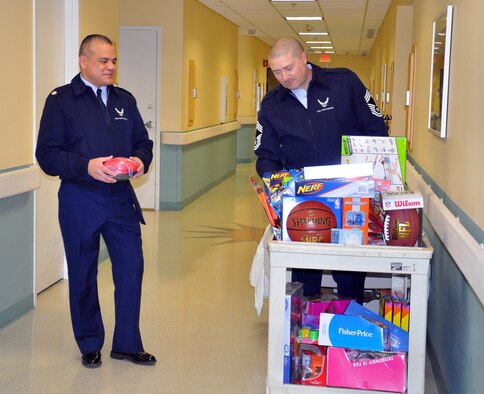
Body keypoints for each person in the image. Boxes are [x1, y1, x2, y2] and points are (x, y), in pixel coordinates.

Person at [36, 34, 156, 368]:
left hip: (120, 201)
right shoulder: (61, 101)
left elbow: (143, 142)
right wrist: (85, 166)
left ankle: (127, 344)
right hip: (80, 199)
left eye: (114, 60)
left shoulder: (124, 99)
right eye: (103, 61)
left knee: (131, 269)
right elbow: (47, 155)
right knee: (83, 272)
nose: (111, 67)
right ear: (83, 61)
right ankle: (89, 342)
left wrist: (139, 161)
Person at [254, 37, 388, 303]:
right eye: (277, 72)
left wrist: (375, 177)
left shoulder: (344, 83)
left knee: (349, 275)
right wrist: (276, 185)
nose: (284, 77)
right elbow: (265, 155)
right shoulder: (272, 105)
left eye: (289, 68)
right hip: (304, 200)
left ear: (304, 58)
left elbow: (376, 132)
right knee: (305, 276)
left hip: (350, 196)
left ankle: (350, 320)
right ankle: (305, 329)